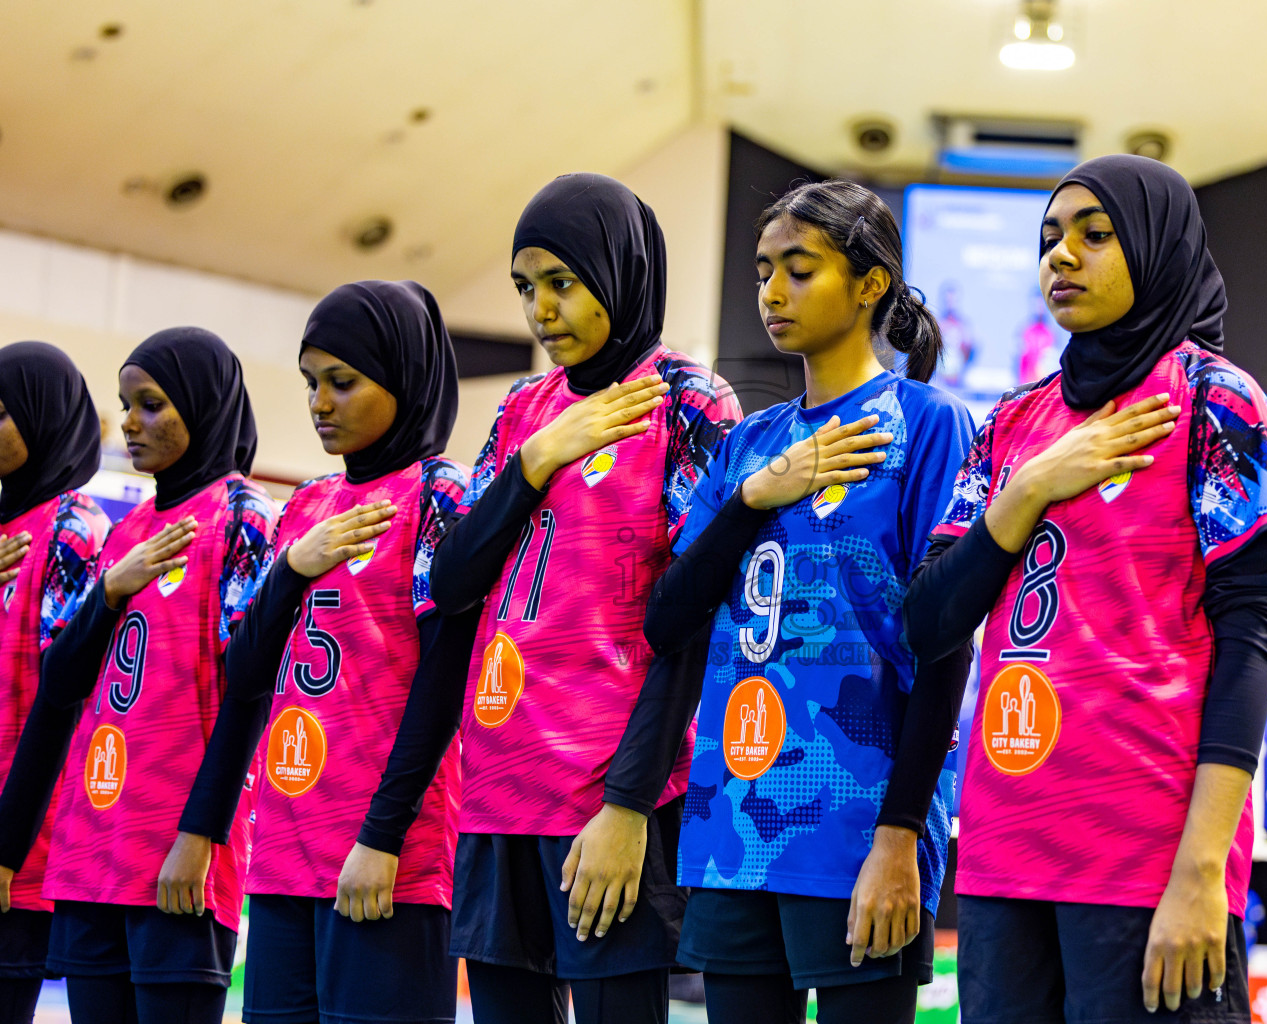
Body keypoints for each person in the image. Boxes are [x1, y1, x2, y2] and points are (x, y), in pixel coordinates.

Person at [904, 154, 1267, 1024]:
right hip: (1006, 856)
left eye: (1094, 234)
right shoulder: (1011, 423)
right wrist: (1034, 485)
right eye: (1048, 239)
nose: (1061, 257)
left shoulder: (1216, 401)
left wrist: (1200, 873)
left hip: (1148, 861)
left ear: (1153, 247)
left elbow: (1250, 640)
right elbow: (930, 620)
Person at [356, 174, 739, 1024]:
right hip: (496, 796)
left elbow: (692, 621)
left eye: (562, 283)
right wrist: (536, 460)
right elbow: (454, 585)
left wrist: (628, 806)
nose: (542, 310)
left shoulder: (684, 401)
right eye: (526, 288)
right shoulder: (525, 410)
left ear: (619, 269)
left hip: (608, 795)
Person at [639, 180, 974, 1024]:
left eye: (799, 269)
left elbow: (944, 646)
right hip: (733, 832)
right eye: (762, 272)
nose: (773, 292)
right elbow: (668, 619)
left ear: (870, 285)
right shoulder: (749, 444)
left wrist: (902, 832)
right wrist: (756, 497)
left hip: (862, 834)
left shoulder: (929, 425)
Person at [159, 281, 475, 1024]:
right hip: (282, 855)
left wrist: (382, 838)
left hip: (387, 855)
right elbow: (244, 673)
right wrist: (293, 569)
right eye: (310, 383)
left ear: (403, 380)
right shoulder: (305, 505)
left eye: (343, 382)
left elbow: (442, 683)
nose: (319, 403)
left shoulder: (438, 494)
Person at [0, 328, 276, 1023]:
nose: (128, 422)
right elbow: (63, 680)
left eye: (150, 404)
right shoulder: (126, 534)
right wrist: (110, 592)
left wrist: (202, 833)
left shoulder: (241, 517)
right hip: (93, 847)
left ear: (203, 405)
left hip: (176, 852)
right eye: (126, 403)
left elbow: (250, 688)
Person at [0, 343, 112, 1024]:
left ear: (41, 419)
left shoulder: (73, 533)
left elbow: (62, 702)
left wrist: (9, 847)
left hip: (24, 851)